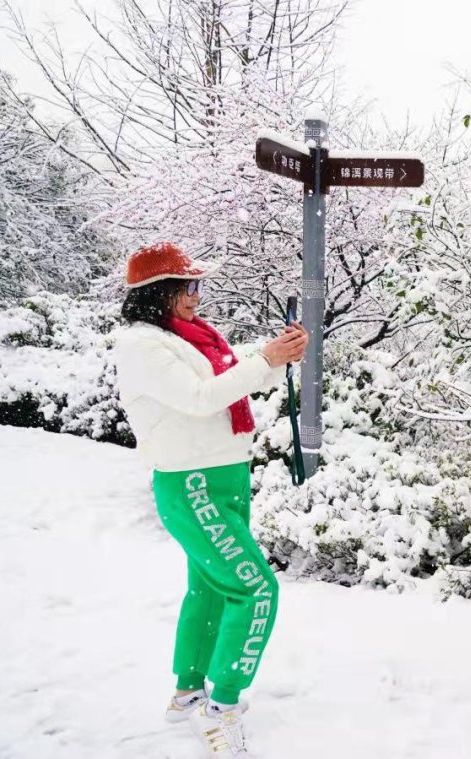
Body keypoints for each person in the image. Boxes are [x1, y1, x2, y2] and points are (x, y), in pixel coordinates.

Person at [113, 242, 308, 758]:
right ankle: (221, 708)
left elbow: (225, 378)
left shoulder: (184, 337)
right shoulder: (141, 345)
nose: (197, 296)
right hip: (192, 481)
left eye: (197, 286)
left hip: (222, 476)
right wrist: (264, 359)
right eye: (188, 287)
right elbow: (200, 399)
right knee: (256, 589)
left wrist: (274, 357)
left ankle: (188, 693)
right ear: (159, 293)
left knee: (211, 589)